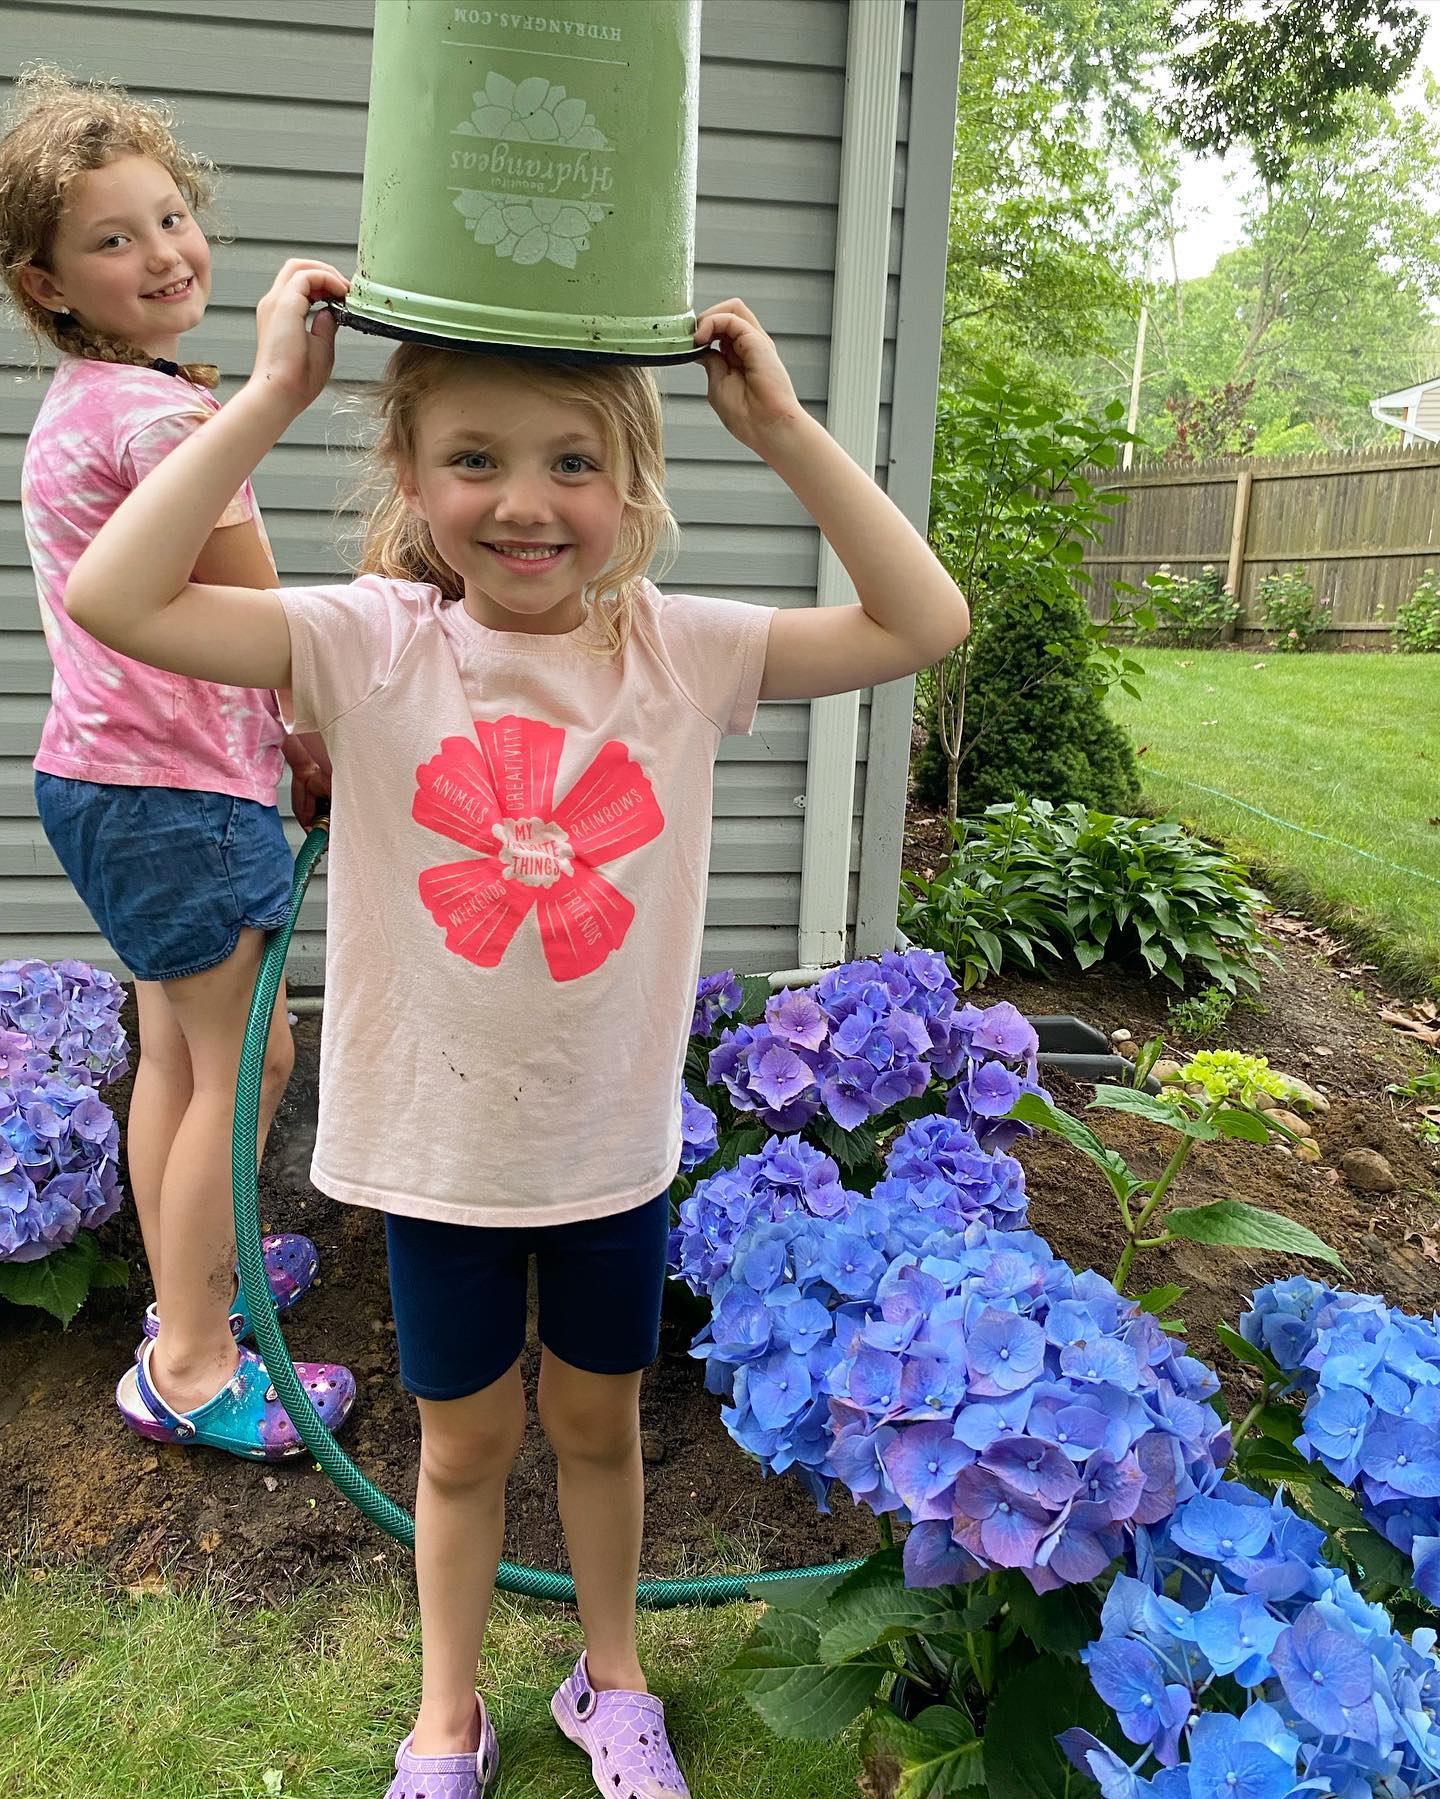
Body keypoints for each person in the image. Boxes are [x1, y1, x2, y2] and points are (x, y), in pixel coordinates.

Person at [63, 254, 970, 1799]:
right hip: (440, 1159)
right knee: (464, 1450)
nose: (525, 501)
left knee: (602, 1433)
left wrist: (788, 430)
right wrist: (275, 393)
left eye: (573, 462)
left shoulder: (679, 653)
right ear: (412, 480)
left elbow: (922, 618)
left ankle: (608, 1681)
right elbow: (115, 594)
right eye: (473, 459)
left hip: (606, 1147)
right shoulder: (369, 644)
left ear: (631, 487)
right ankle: (446, 1713)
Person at [0, 69, 354, 1460]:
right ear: (48, 282)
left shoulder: (101, 403)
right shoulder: (166, 424)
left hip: (104, 784)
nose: (162, 254)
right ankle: (198, 1366)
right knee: (246, 1063)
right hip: (179, 801)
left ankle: (187, 1295)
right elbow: (267, 629)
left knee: (175, 1062)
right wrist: (312, 744)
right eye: (112, 240)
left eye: (169, 217)